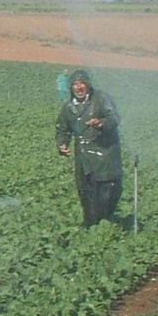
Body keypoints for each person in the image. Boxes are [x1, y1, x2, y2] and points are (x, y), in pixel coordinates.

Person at [55, 69, 123, 227]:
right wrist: (62, 143)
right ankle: (91, 226)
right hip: (83, 158)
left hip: (105, 155)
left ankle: (106, 225)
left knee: (107, 192)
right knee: (86, 195)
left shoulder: (101, 99)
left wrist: (101, 123)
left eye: (82, 83)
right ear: (71, 87)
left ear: (88, 84)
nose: (79, 87)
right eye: (75, 84)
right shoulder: (68, 107)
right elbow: (62, 129)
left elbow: (114, 117)